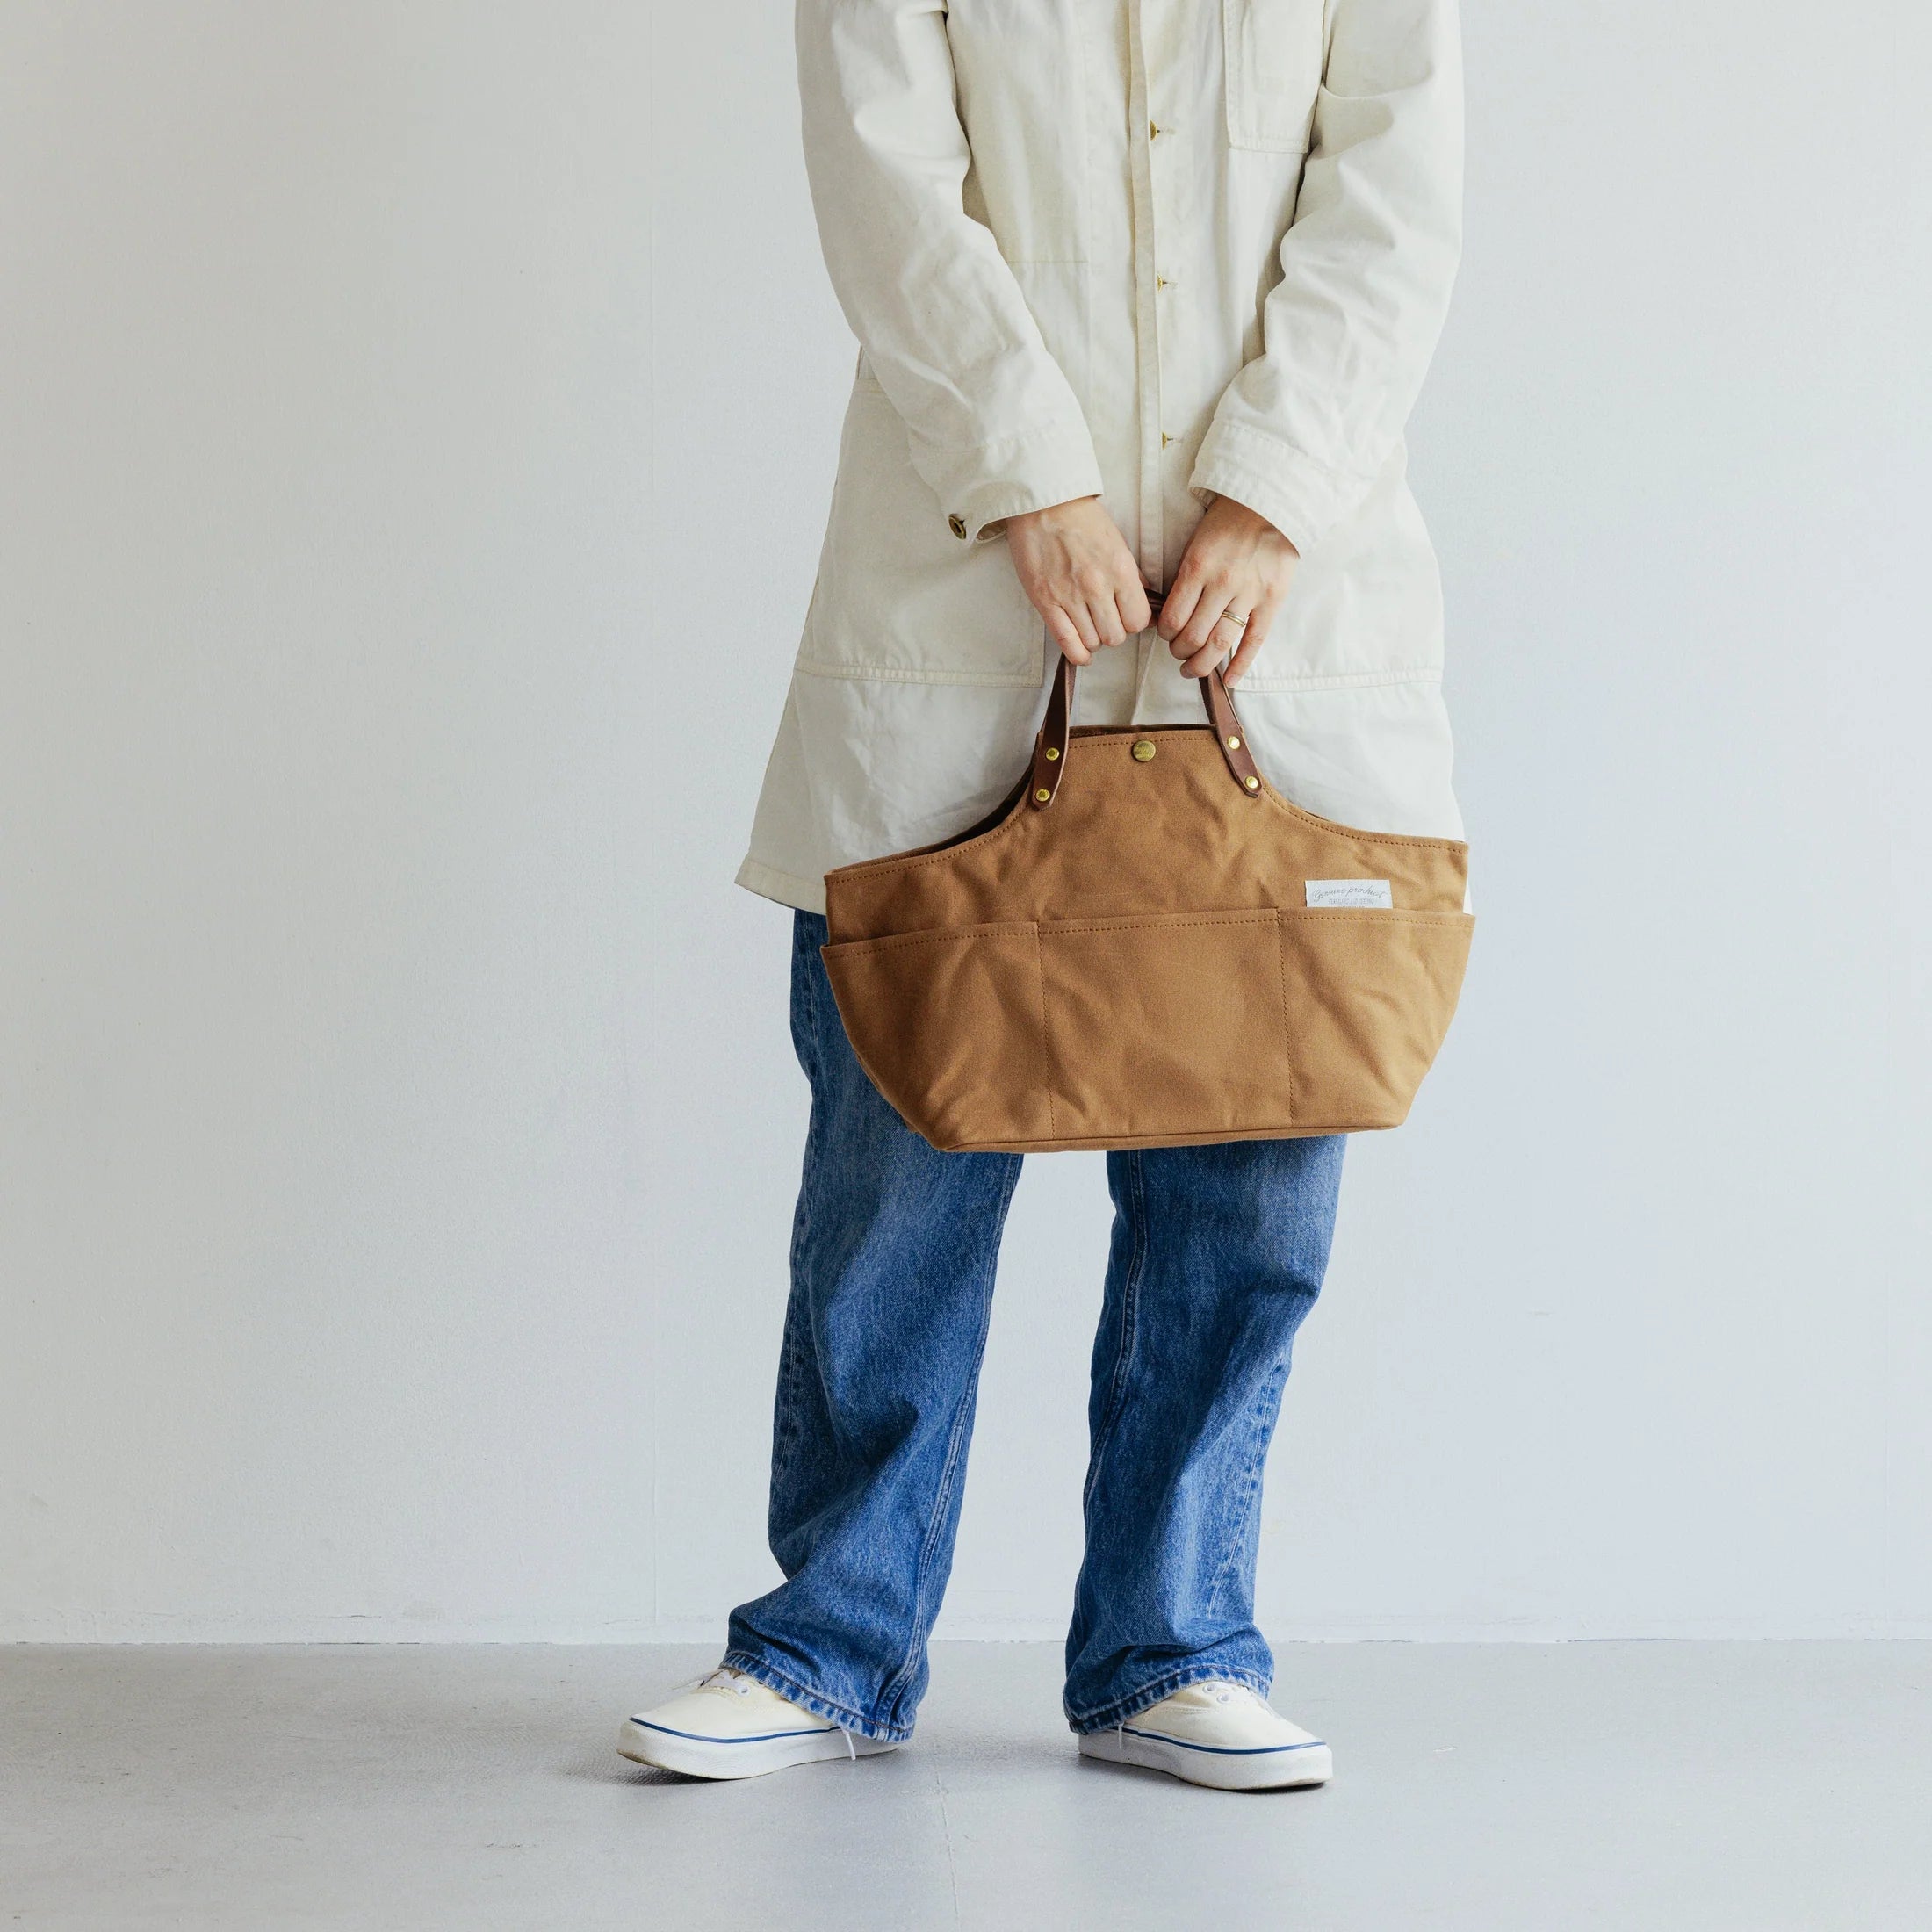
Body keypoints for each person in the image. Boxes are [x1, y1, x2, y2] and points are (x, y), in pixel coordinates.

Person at [622, 0, 1466, 1791]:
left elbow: (1394, 191)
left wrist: (1268, 491)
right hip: (967, 590)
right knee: (892, 1162)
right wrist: (1031, 478)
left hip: (1278, 603)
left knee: (1247, 1164)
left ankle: (1173, 1641)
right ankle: (829, 1640)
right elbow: (885, 184)